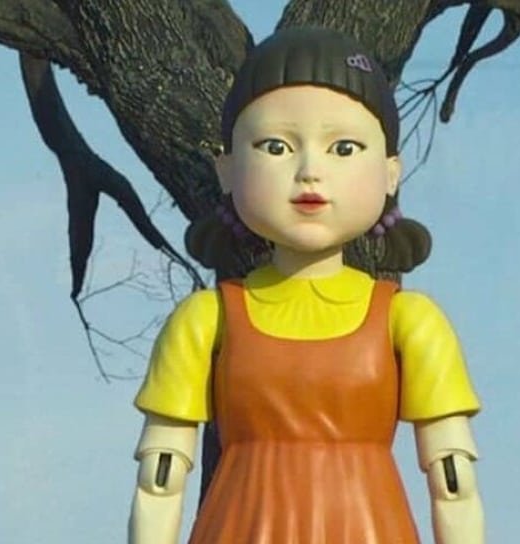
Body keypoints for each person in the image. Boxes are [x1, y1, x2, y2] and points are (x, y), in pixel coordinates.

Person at [127, 26, 485, 544]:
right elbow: (159, 480)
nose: (310, 171)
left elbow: (454, 483)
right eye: (276, 146)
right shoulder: (207, 319)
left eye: (344, 147)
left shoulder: (408, 321)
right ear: (227, 169)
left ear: (391, 172)